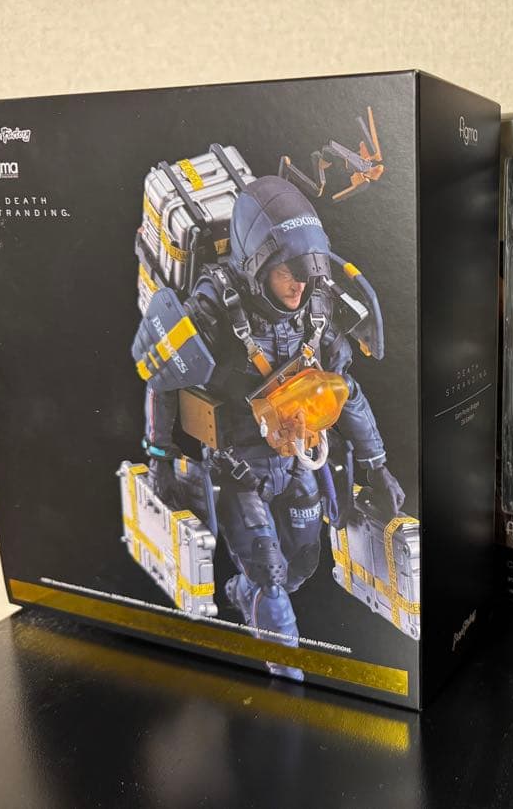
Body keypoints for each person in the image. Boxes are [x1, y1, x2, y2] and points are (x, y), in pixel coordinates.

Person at [140, 175, 404, 680]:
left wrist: (376, 467)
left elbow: (345, 391)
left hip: (298, 458)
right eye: (287, 272)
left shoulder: (316, 310)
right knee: (272, 576)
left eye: (306, 272)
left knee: (302, 562)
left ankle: (248, 594)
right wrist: (159, 456)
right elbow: (164, 375)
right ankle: (288, 676)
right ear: (256, 266)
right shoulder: (215, 307)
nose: (299, 285)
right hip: (238, 469)